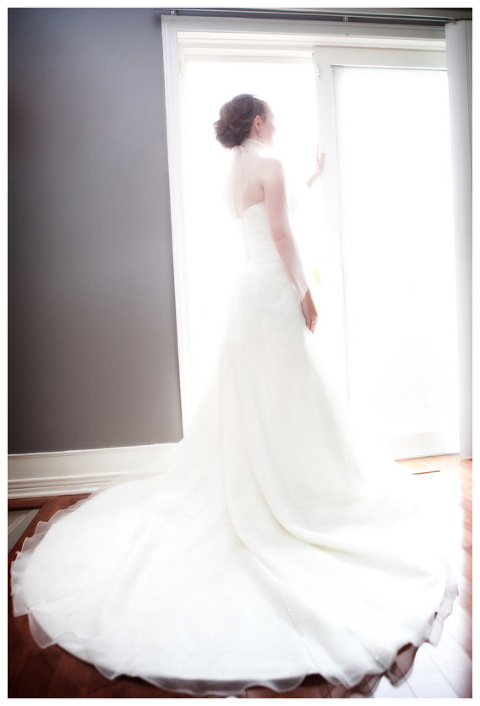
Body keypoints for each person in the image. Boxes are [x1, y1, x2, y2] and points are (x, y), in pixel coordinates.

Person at [10, 93, 458, 698]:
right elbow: (281, 231)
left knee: (260, 400)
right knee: (287, 396)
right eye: (274, 118)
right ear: (258, 121)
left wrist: (310, 179)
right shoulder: (268, 165)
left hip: (246, 299)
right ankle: (296, 490)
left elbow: (270, 212)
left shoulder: (235, 175)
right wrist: (305, 292)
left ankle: (274, 480)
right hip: (272, 296)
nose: (278, 125)